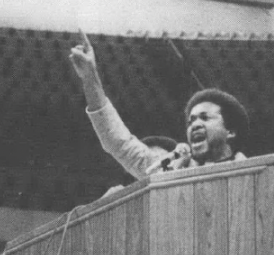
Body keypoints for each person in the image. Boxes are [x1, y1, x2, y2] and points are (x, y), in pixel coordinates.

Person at [69, 30, 249, 179]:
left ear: (230, 132)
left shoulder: (253, 174)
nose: (194, 124)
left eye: (205, 117)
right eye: (191, 121)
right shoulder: (172, 168)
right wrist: (90, 77)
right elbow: (119, 143)